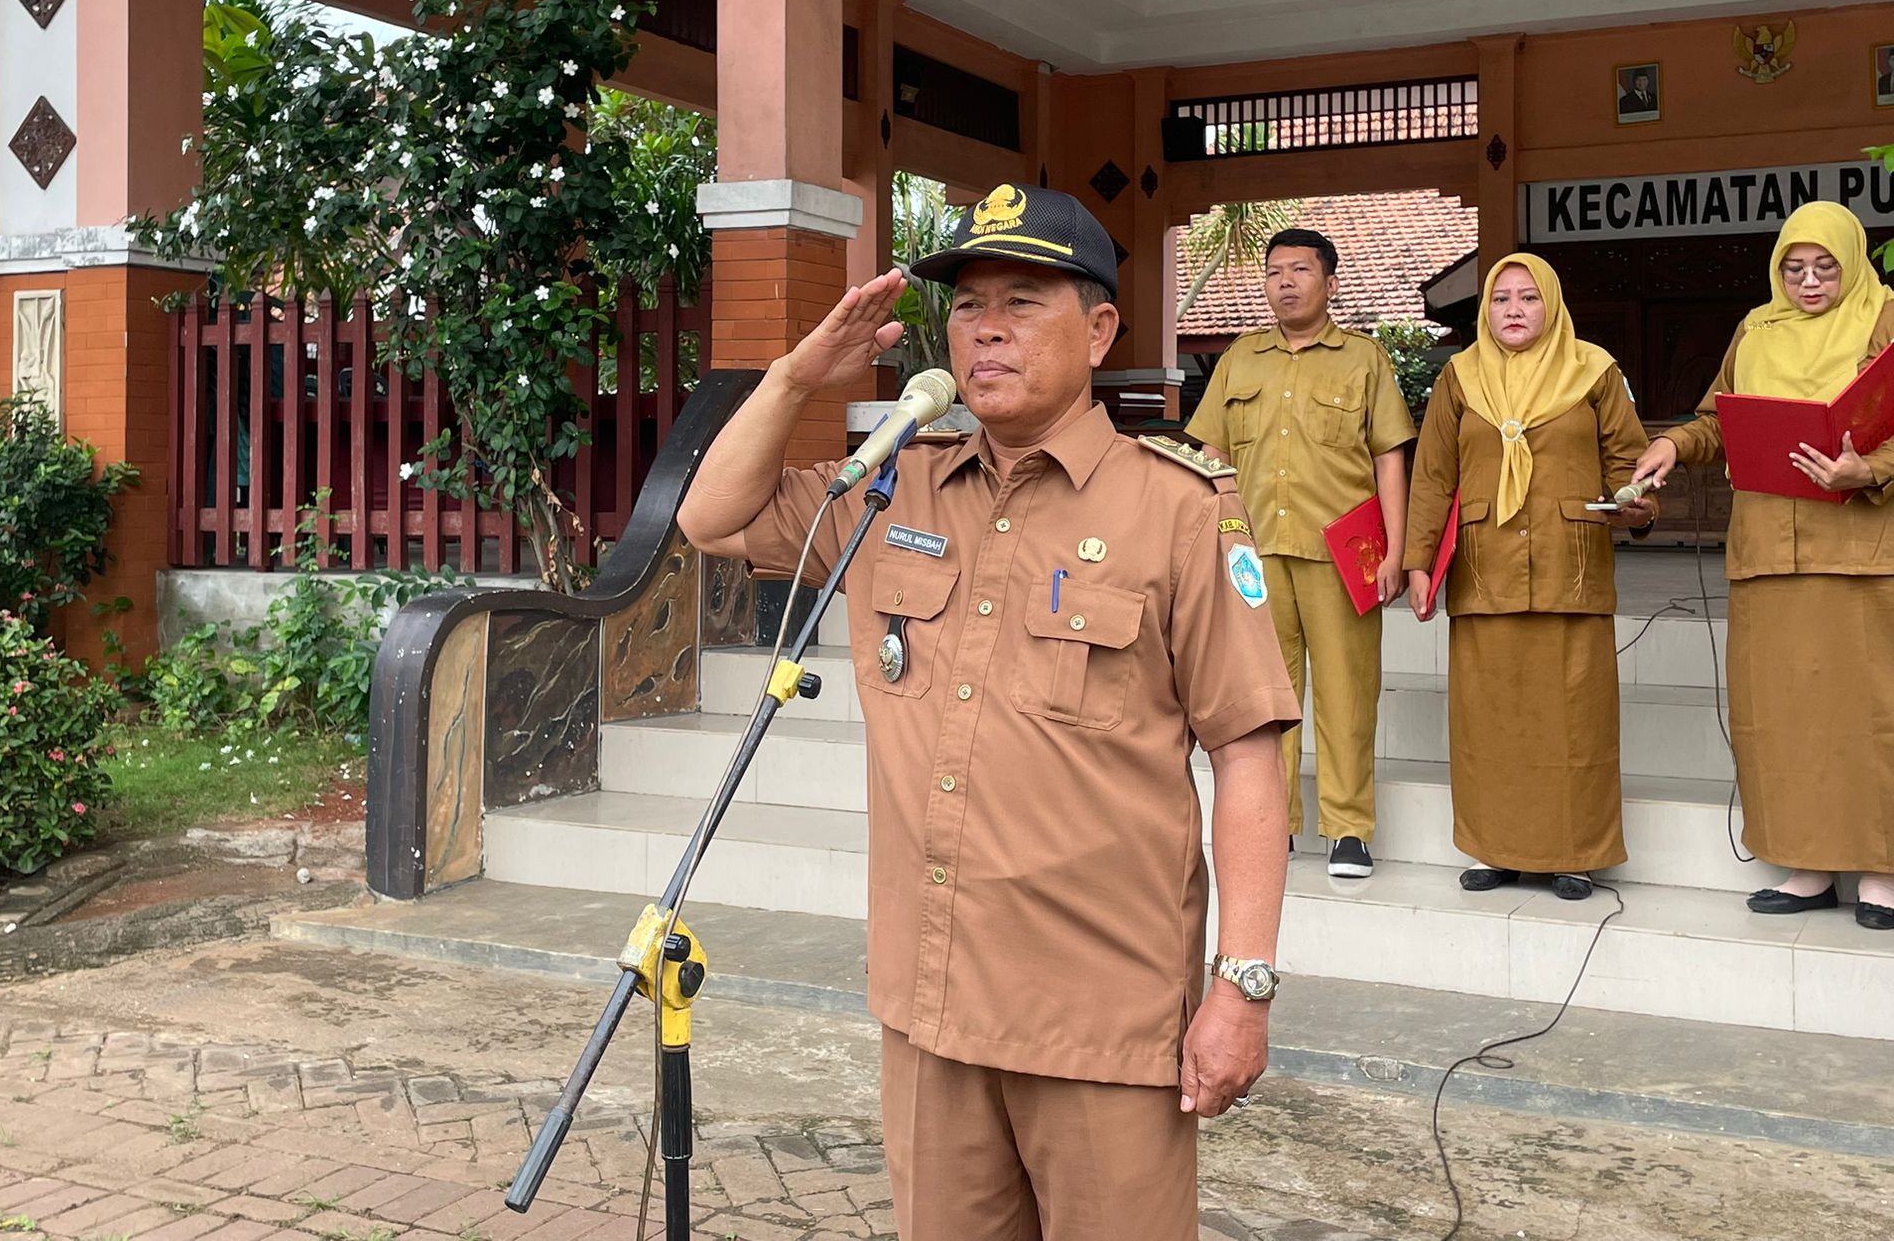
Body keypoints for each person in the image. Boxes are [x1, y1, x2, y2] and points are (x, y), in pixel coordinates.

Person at [678, 183, 1301, 1241]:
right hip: (931, 1009)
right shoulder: (891, 490)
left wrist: (1241, 986)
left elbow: (1247, 751)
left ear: (1099, 330)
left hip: (1099, 1018)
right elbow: (710, 517)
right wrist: (793, 377)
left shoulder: (1178, 507)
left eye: (1023, 299)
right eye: (967, 306)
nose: (988, 328)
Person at [1632, 201, 1894, 929]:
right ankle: (1808, 864)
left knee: (1873, 714)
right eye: (1794, 267)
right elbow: (1721, 418)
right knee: (1784, 718)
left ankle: (1883, 870)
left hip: (1861, 551)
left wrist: (1867, 470)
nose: (1809, 282)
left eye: (1825, 266)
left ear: (1852, 261)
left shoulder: (1885, 318)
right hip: (1769, 551)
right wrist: (1675, 447)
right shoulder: (1756, 328)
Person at [1404, 254, 1653, 901]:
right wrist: (1418, 563)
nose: (1514, 309)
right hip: (1484, 572)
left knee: (1576, 722)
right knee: (1490, 724)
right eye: (1501, 299)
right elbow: (1433, 478)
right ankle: (1495, 848)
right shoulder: (1459, 378)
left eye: (1529, 298)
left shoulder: (1594, 370)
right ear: (1485, 310)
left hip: (1571, 568)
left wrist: (1638, 500)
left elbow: (1630, 462)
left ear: (1553, 305)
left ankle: (1575, 854)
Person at [1183, 228, 1415, 880]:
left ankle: (1348, 830)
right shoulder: (1241, 358)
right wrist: (1212, 538)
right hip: (1255, 555)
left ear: (1330, 283)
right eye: (1274, 271)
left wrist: (1397, 547)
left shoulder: (1363, 360)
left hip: (1343, 553)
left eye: (1300, 270)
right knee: (1263, 698)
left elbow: (1388, 457)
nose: (1285, 282)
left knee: (1347, 695)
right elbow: (1212, 456)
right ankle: (1271, 824)